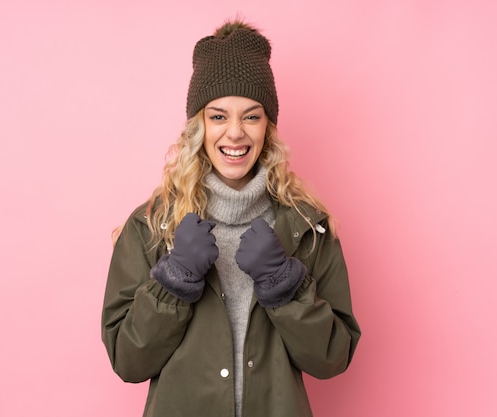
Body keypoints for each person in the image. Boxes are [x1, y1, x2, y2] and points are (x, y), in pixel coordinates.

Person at [101, 19, 361, 417]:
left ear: (268, 126)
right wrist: (175, 279)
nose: (235, 133)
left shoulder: (308, 228)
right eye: (219, 116)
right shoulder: (151, 226)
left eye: (251, 116)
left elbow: (331, 358)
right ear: (198, 126)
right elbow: (128, 360)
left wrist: (282, 282)